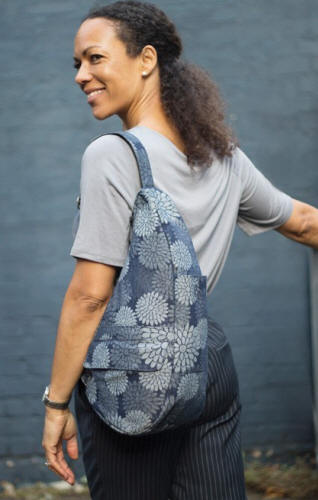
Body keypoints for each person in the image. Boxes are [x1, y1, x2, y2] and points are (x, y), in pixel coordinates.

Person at [41, 1, 318, 499]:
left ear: (146, 59)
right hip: (207, 362)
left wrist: (55, 404)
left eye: (95, 58)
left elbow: (90, 296)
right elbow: (303, 222)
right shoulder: (223, 157)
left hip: (132, 373)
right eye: (77, 63)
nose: (82, 75)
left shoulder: (113, 154)